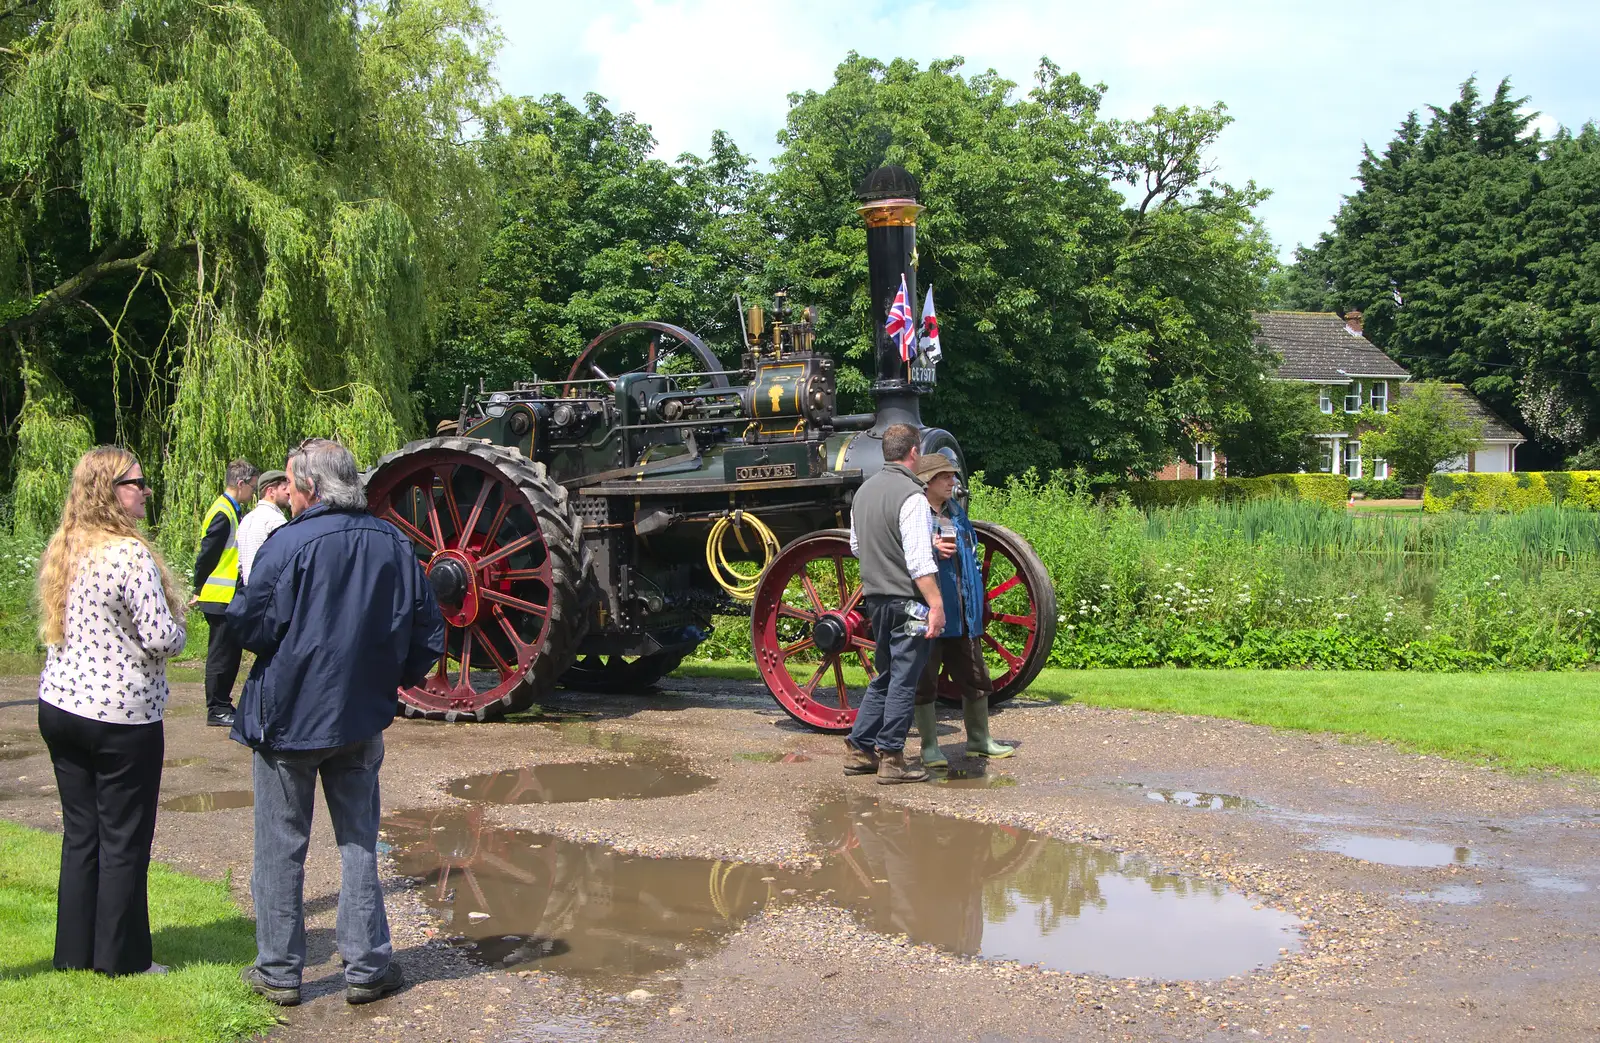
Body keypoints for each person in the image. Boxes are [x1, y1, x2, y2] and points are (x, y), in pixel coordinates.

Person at [225, 438, 444, 1007]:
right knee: (358, 842)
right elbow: (428, 634)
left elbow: (250, 627)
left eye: (295, 486)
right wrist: (384, 682)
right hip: (358, 717)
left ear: (311, 488)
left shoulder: (288, 543)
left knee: (280, 845)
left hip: (288, 717)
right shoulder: (394, 542)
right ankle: (368, 965)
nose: (291, 494)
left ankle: (278, 971)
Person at [35, 447, 187, 976]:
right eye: (136, 483)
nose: (145, 491)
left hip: (60, 705)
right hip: (119, 716)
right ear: (109, 490)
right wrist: (183, 625)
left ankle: (74, 954)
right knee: (123, 838)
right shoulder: (129, 554)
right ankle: (122, 960)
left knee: (81, 834)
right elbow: (161, 637)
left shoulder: (67, 545)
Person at [845, 423, 944, 784]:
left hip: (876, 601)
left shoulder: (863, 493)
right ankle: (892, 758)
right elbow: (919, 563)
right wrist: (935, 605)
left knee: (886, 675)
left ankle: (859, 748)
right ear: (914, 452)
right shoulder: (912, 496)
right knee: (905, 677)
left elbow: (857, 546)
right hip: (909, 602)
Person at [911, 451, 1014, 766]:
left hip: (961, 615)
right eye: (945, 476)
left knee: (976, 677)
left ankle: (979, 740)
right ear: (928, 481)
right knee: (925, 682)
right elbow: (906, 555)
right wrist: (930, 547)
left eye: (953, 475)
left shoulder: (956, 513)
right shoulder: (914, 515)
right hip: (928, 614)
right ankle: (930, 748)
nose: (952, 481)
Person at [192, 459, 258, 727]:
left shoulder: (232, 508)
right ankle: (216, 708)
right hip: (219, 595)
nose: (253, 493)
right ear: (240, 484)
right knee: (221, 654)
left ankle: (222, 703)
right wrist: (199, 587)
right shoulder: (223, 512)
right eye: (252, 487)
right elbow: (207, 554)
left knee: (229, 653)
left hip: (226, 595)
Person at [236, 469, 289, 586]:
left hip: (248, 591)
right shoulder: (276, 520)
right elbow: (284, 561)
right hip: (268, 591)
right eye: (285, 488)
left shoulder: (246, 519)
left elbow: (240, 564)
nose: (289, 493)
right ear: (270, 491)